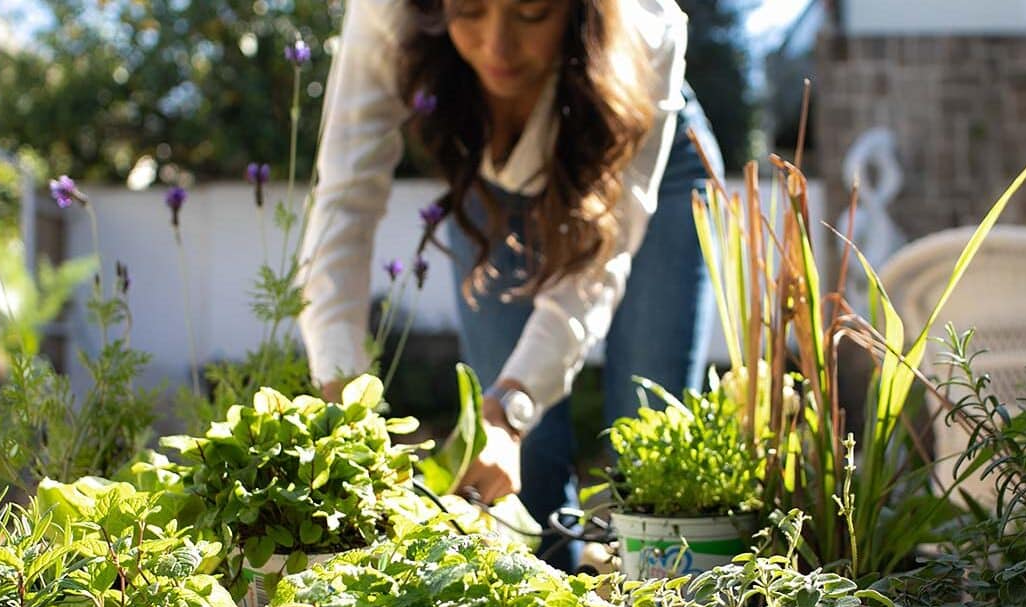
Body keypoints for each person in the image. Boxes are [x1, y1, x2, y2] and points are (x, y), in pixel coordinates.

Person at [298, 0, 723, 571]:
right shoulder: (388, 10)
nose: (497, 47)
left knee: (647, 444)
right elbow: (344, 201)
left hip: (630, 142)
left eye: (531, 13)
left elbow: (598, 266)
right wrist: (340, 396)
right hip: (493, 175)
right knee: (518, 475)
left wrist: (512, 408)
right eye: (469, 11)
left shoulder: (647, 27)